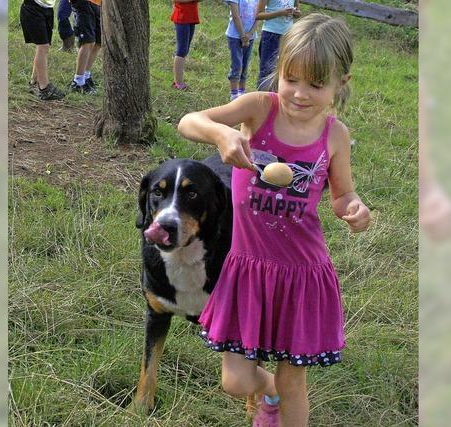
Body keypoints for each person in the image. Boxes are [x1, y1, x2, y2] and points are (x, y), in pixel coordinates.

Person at [178, 13, 371, 426]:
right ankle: (268, 395)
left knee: (294, 383)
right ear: (278, 71)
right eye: (291, 79)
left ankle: (281, 402)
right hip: (248, 269)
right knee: (235, 380)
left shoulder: (334, 136)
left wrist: (354, 209)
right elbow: (188, 121)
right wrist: (222, 134)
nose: (300, 94)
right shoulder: (259, 110)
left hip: (301, 273)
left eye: (316, 85)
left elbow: (342, 195)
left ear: (340, 84)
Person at [20, 0, 66, 100]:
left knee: (44, 47)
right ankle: (44, 88)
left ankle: (34, 81)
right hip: (33, 7)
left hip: (47, 8)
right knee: (43, 46)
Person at [255, 0, 301, 91]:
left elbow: (298, 12)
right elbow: (258, 15)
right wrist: (280, 13)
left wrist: (296, 13)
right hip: (271, 34)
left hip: (288, 36)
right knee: (267, 69)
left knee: (284, 68)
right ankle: (262, 97)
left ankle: (276, 97)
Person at [225, 0, 259, 100]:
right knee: (237, 65)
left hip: (250, 36)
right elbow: (236, 16)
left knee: (245, 64)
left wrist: (250, 34)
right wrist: (243, 36)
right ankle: (234, 94)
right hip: (235, 36)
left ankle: (242, 92)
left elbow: (258, 17)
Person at [68, 0, 101, 94]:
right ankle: (77, 82)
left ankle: (86, 76)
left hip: (99, 3)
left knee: (98, 42)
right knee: (87, 42)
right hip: (83, 3)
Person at [170, 0, 200, 90]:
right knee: (181, 50)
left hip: (191, 17)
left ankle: (179, 81)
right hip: (182, 17)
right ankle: (178, 83)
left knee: (185, 49)